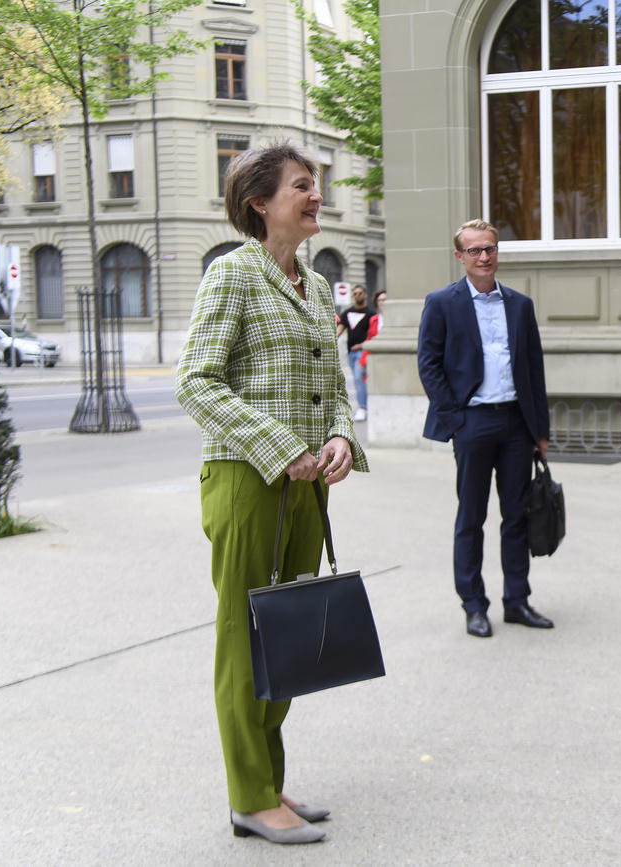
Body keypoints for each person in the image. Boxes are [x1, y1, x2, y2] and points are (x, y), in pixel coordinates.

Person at [176, 142, 368, 845]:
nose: (316, 195)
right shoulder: (232, 275)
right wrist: (278, 444)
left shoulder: (316, 287)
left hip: (308, 485)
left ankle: (264, 779)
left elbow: (336, 387)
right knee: (242, 637)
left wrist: (343, 436)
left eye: (315, 184)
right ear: (260, 202)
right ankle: (250, 794)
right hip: (245, 481)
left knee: (288, 633)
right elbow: (195, 382)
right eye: (301, 185)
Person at [417, 219, 553, 638]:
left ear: (497, 252)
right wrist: (455, 420)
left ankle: (517, 601)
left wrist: (539, 430)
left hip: (516, 423)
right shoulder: (442, 303)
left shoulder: (520, 304)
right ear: (460, 256)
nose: (483, 256)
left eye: (489, 248)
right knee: (471, 517)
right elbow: (429, 365)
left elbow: (533, 369)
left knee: (517, 517)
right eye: (474, 250)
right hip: (472, 422)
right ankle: (474, 605)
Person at [336, 285, 379, 421]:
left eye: (360, 293)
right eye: (355, 294)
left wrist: (361, 345)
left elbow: (373, 334)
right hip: (350, 353)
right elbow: (339, 330)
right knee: (357, 379)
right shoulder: (347, 313)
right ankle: (366, 405)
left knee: (359, 377)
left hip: (364, 351)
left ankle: (362, 407)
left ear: (365, 295)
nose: (357, 296)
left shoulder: (371, 313)